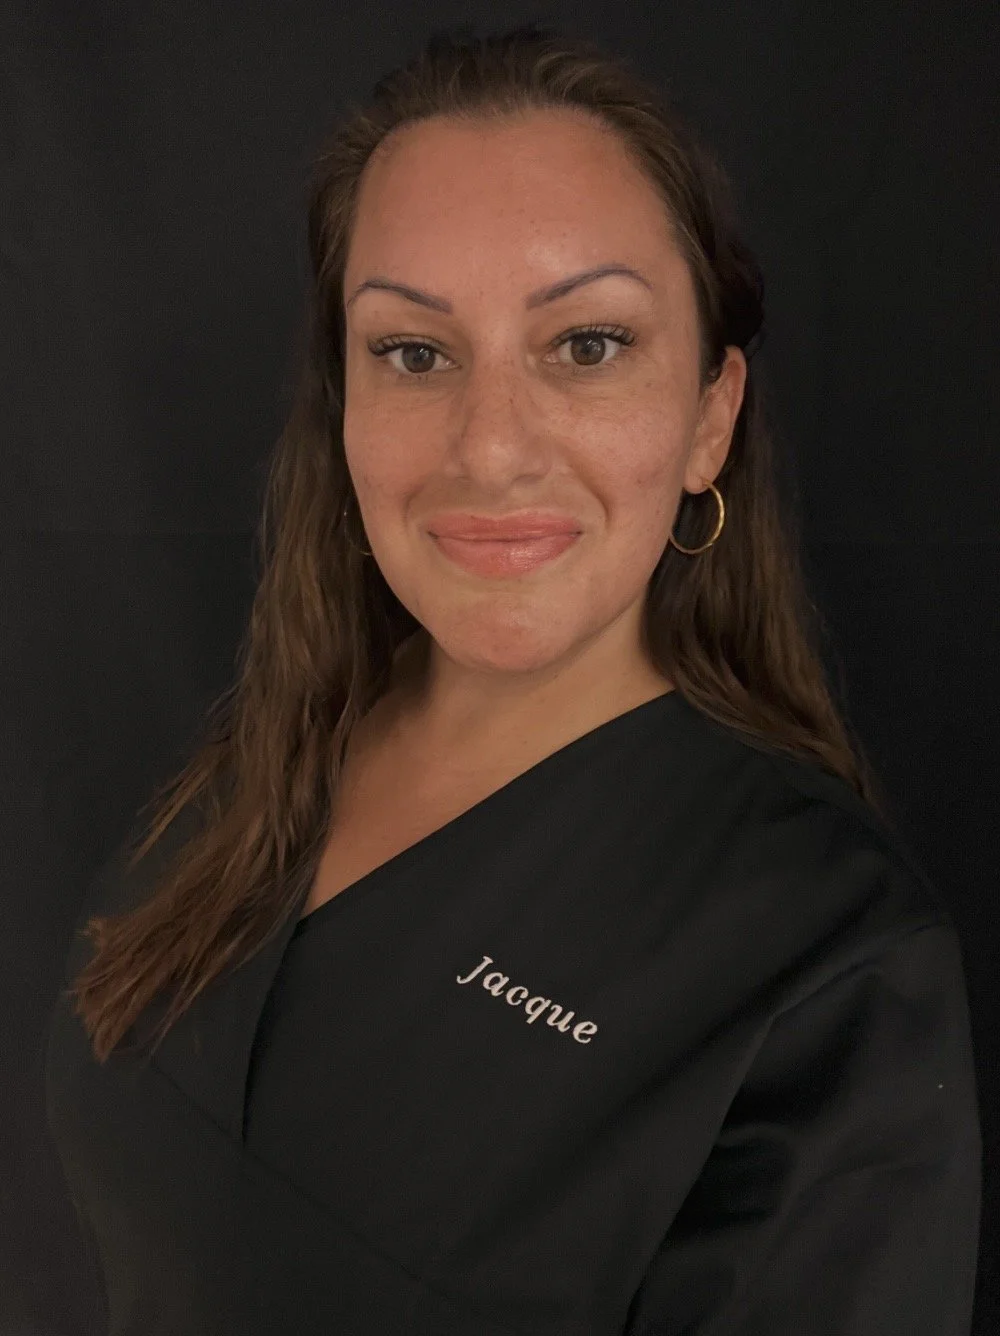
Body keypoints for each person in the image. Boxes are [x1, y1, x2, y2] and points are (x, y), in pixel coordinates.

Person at [44, 21, 982, 1336]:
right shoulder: (270, 760)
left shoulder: (827, 964)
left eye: (587, 345)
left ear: (710, 416)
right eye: (414, 353)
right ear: (343, 404)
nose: (489, 450)